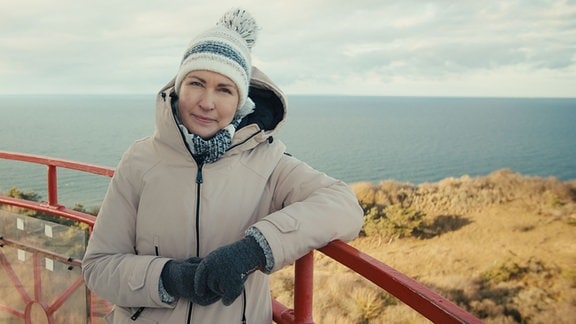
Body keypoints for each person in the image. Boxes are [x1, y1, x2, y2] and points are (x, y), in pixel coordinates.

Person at [82, 8, 363, 323]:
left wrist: (252, 250)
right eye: (196, 83)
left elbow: (343, 205)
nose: (207, 102)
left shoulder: (269, 162)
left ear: (241, 102)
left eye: (224, 89)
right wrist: (168, 277)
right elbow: (98, 267)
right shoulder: (140, 160)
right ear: (178, 87)